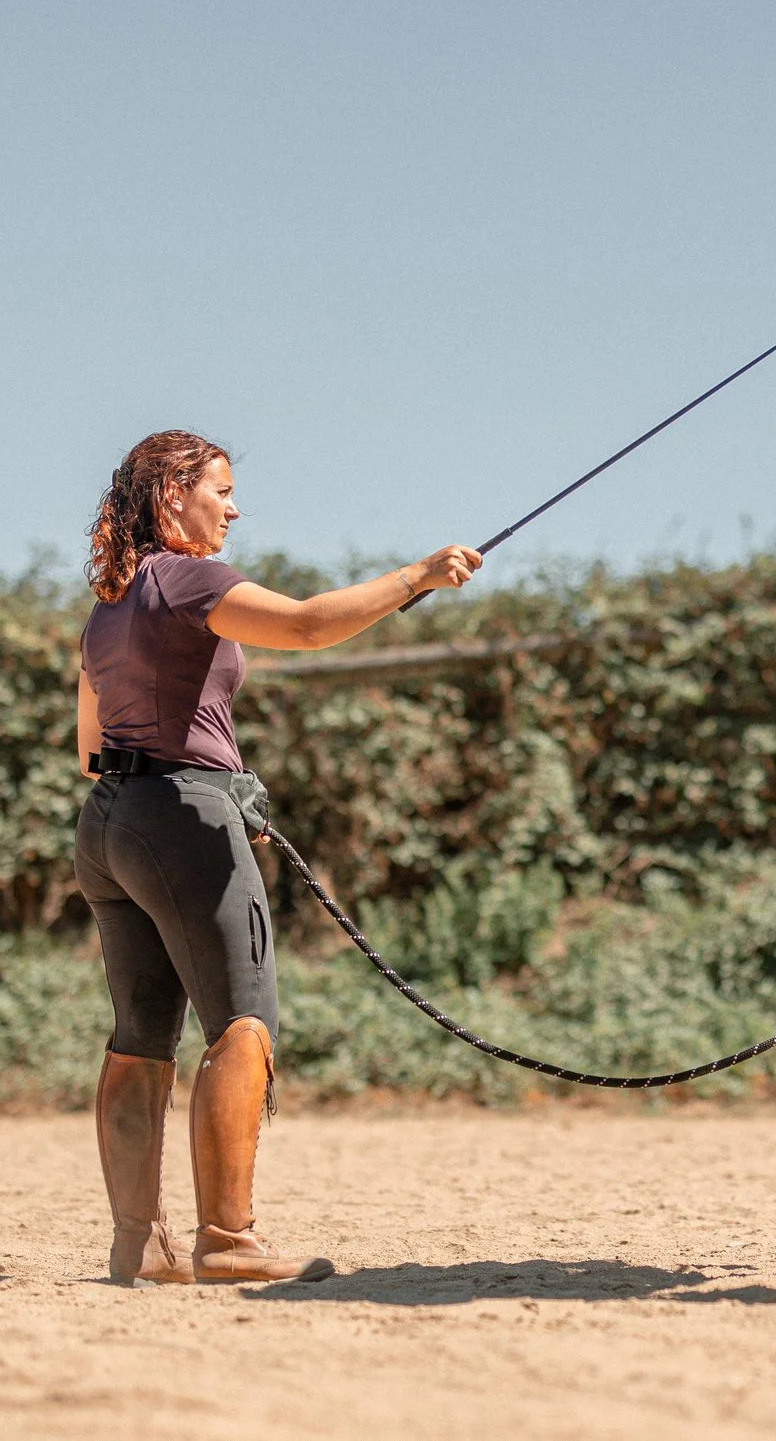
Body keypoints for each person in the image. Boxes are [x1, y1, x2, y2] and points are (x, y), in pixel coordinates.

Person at [74, 429, 480, 1285]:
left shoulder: (107, 607)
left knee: (141, 1034)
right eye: (220, 490)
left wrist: (208, 782)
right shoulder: (188, 578)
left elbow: (88, 745)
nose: (234, 508)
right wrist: (418, 576)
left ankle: (139, 1245)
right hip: (181, 818)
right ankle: (228, 1241)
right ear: (172, 494)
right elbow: (304, 625)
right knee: (242, 1021)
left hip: (109, 823)